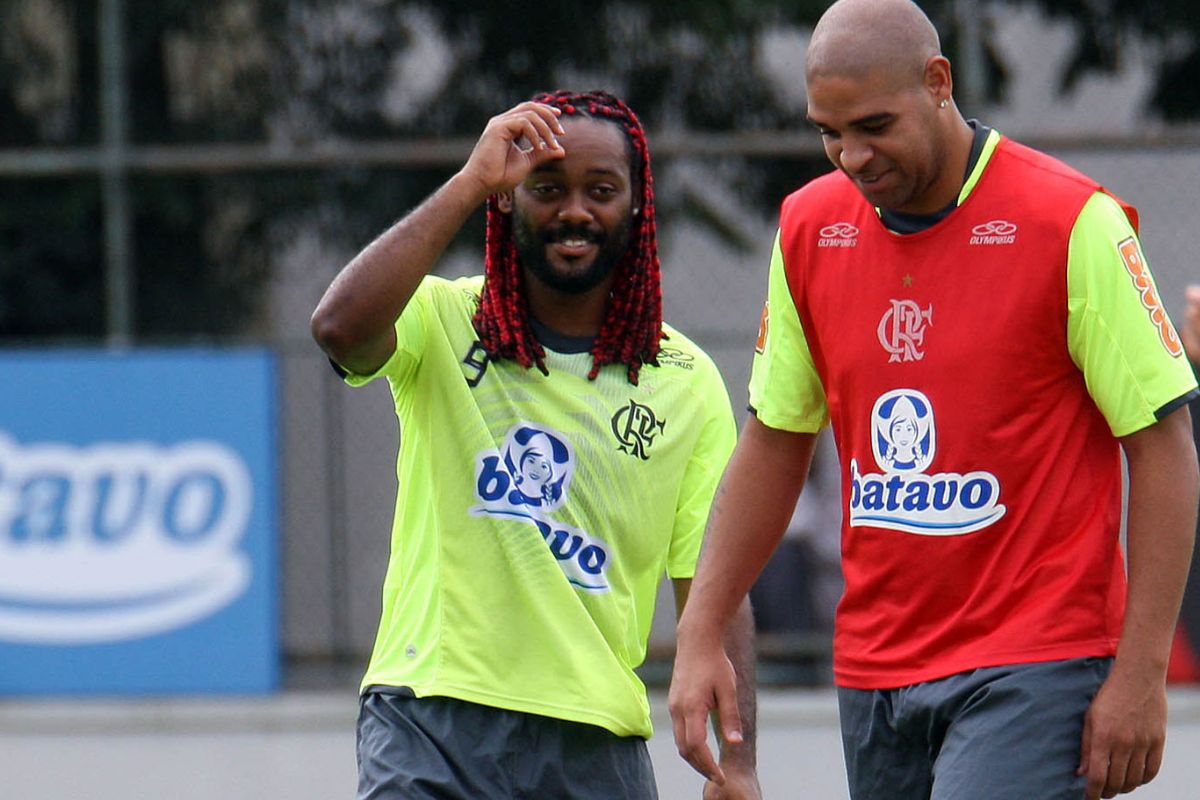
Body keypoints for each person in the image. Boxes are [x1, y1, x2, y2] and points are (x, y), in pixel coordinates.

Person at [667, 2, 1200, 799]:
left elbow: (1163, 448)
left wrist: (1141, 671)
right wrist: (700, 630)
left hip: (1036, 662)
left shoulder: (1069, 220)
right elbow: (776, 440)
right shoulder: (809, 227)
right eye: (828, 130)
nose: (852, 154)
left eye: (875, 125)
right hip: (873, 669)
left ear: (938, 82)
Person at [310, 90, 759, 799]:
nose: (574, 211)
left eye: (601, 190)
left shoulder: (686, 381)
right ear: (508, 202)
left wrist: (739, 762)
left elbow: (716, 586)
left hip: (591, 744)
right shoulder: (443, 319)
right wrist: (467, 182)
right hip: (430, 719)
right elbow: (339, 328)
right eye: (546, 189)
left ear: (637, 207)